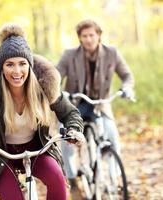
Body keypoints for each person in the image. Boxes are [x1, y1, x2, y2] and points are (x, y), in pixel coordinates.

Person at [0, 23, 85, 200]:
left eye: (22, 64)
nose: (17, 71)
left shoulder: (44, 88)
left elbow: (70, 113)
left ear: (30, 65)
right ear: (1, 67)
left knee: (58, 180)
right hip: (1, 156)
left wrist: (74, 129)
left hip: (36, 150)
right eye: (9, 64)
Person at [57, 19, 135, 198]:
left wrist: (127, 88)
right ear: (80, 38)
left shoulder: (112, 53)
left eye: (92, 35)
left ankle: (116, 179)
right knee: (67, 142)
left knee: (113, 138)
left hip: (101, 105)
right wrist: (59, 93)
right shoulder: (69, 55)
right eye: (84, 36)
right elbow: (56, 75)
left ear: (99, 35)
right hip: (75, 104)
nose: (88, 39)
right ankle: (72, 178)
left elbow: (127, 75)